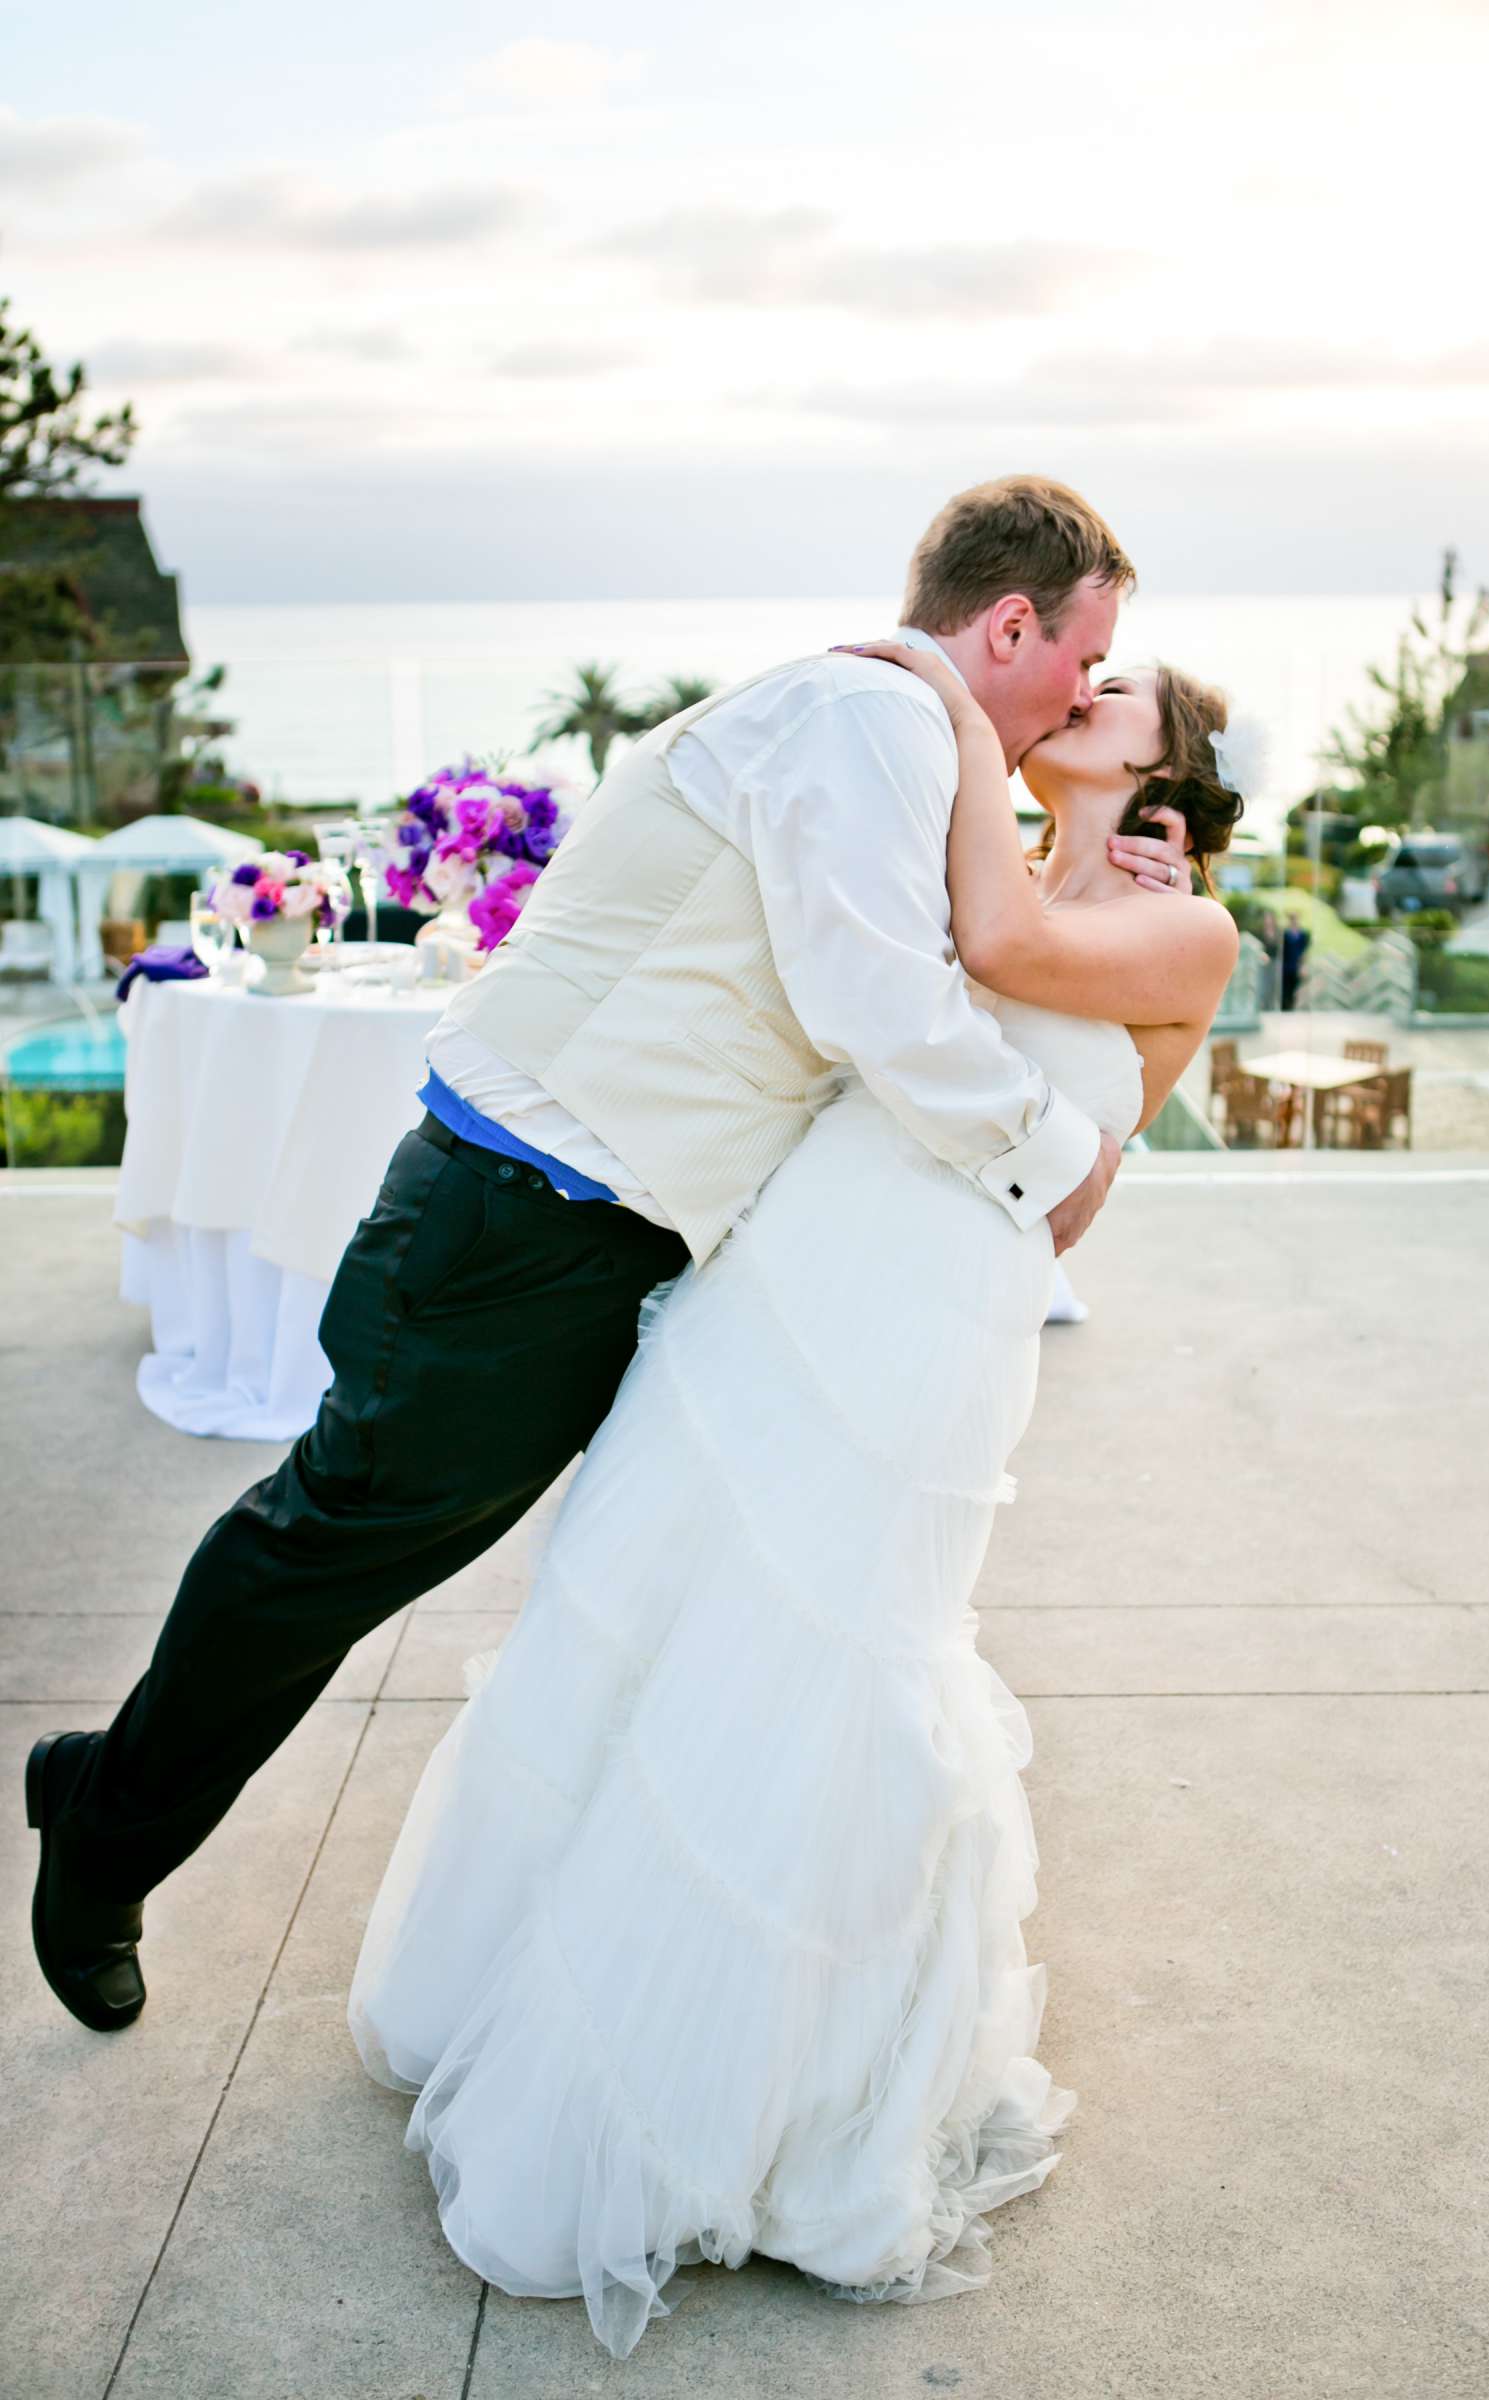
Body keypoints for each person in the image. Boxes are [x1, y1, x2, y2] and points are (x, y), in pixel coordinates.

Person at [27, 476, 1187, 2042]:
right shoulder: (873, 727)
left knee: (423, 1553)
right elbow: (876, 1005)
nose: (1082, 687)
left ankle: (106, 1790)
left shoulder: (894, 733)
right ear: (1006, 623)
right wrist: (1065, 1163)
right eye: (1082, 653)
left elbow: (909, 981)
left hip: (591, 1231)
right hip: (514, 1225)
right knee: (332, 1551)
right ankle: (101, 1834)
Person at [344, 639, 1240, 2356]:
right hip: (784, 1278)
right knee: (664, 1606)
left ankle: (779, 2107)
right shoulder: (1015, 865)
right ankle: (533, 1999)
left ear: (1169, 758)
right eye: (1075, 668)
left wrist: (936, 685)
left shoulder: (1169, 923)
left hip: (921, 1327)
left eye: (1111, 690)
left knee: (829, 1655)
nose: (1074, 695)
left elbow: (1028, 1032)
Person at [1280, 906, 1310, 1011]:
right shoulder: (1285, 934)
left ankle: (1291, 1007)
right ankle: (1285, 1007)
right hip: (1285, 966)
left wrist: (1303, 966)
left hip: (1296, 966)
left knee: (1294, 988)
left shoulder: (1303, 935)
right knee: (1285, 988)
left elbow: (1304, 952)